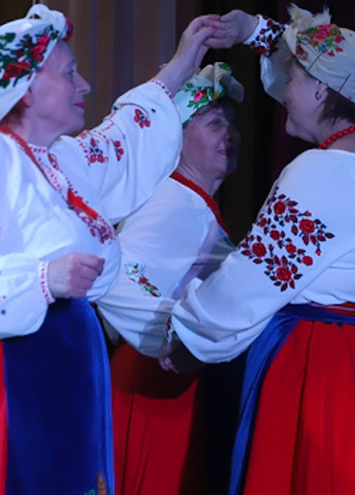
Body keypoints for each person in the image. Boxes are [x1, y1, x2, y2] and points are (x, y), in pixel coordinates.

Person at [0, 4, 222, 495]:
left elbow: (122, 139)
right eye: (70, 73)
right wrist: (42, 279)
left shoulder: (61, 162)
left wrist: (180, 66)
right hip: (8, 367)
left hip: (63, 362)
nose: (84, 85)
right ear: (27, 89)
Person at [162, 6, 355, 495]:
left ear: (322, 90)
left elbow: (252, 279)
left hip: (319, 365)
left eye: (295, 78)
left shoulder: (325, 174)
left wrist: (188, 336)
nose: (285, 89)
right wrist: (254, 31)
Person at [95, 63, 244, 495]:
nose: (230, 134)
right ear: (177, 138)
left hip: (167, 385)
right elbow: (115, 273)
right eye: (214, 124)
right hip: (153, 385)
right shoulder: (173, 200)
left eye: (231, 123)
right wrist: (175, 335)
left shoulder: (192, 201)